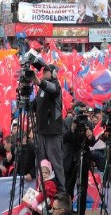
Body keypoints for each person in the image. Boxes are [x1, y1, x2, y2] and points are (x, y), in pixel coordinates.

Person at [31, 64, 66, 192]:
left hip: (53, 132)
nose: (43, 72)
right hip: (41, 131)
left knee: (56, 164)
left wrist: (39, 82)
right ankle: (42, 191)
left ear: (53, 73)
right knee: (42, 165)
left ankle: (61, 192)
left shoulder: (55, 85)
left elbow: (52, 89)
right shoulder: (40, 88)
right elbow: (35, 105)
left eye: (46, 71)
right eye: (43, 70)